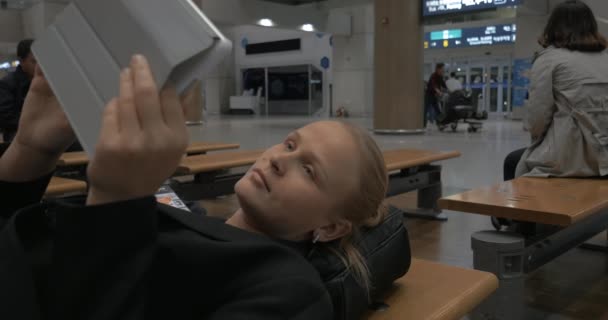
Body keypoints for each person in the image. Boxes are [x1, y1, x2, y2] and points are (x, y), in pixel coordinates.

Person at [0, 55, 388, 319]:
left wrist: (114, 202)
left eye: (308, 170)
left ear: (332, 227)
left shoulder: (289, 291)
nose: (278, 159)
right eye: (289, 144)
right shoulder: (195, 221)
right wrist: (29, 151)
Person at [503, 0, 608, 179]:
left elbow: (537, 121)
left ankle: (521, 207)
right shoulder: (605, 58)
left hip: (570, 159)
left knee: (512, 161)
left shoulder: (549, 60)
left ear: (553, 27)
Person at [0, 39, 36, 142]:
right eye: (34, 61)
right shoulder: (7, 84)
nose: (39, 66)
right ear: (21, 61)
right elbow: (6, 117)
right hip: (19, 132)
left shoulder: (48, 82)